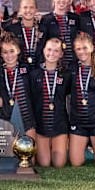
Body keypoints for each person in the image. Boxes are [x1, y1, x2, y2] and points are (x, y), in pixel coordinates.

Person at [67, 33, 95, 168]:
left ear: (91, 48)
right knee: (76, 163)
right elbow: (67, 94)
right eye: (78, 49)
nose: (82, 52)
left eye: (85, 48)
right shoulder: (71, 69)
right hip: (78, 122)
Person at [30, 37, 69, 167]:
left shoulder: (66, 74)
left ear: (61, 54)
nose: (52, 54)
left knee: (59, 164)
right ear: (43, 50)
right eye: (49, 50)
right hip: (41, 125)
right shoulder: (34, 74)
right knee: (45, 163)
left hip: (59, 125)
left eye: (56, 51)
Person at [0, 32, 37, 141]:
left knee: (28, 153)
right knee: (10, 154)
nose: (9, 55)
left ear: (18, 51)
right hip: (6, 119)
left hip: (27, 119)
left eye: (12, 51)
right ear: (1, 54)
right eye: (5, 52)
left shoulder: (27, 69)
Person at [39, 0, 80, 67]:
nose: (62, 0)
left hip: (73, 64)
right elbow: (41, 44)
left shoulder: (76, 18)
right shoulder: (45, 20)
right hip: (54, 63)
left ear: (70, 1)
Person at [3, 0, 39, 66]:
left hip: (38, 71)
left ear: (36, 10)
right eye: (25, 7)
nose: (28, 10)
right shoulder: (11, 29)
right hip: (19, 71)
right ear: (20, 10)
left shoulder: (43, 29)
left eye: (31, 7)